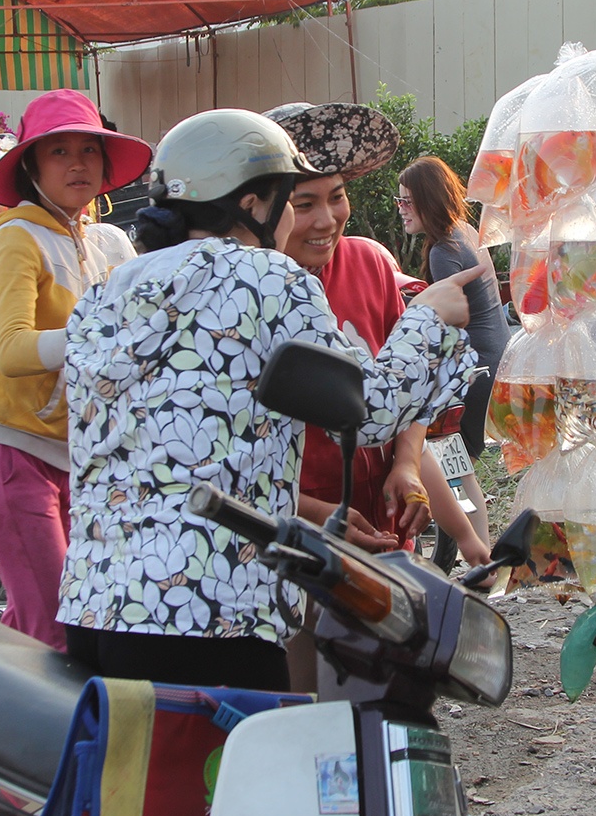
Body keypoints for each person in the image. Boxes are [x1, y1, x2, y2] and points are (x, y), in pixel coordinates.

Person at [59, 109, 483, 689]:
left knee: (136, 777)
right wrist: (429, 318)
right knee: (228, 776)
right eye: (292, 198)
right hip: (206, 607)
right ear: (254, 204)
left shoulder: (112, 290)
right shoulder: (268, 279)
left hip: (97, 603)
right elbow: (368, 407)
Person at [264, 103, 491, 568]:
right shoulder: (253, 296)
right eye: (304, 204)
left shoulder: (369, 262)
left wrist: (406, 464)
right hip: (298, 549)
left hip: (386, 539)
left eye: (338, 195)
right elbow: (233, 466)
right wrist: (312, 514)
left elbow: (404, 388)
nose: (327, 219)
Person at [0, 89, 151, 651]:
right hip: (13, 460)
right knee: (59, 633)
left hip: (77, 463)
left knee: (46, 627)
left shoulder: (100, 242)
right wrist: (99, 337)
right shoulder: (15, 239)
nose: (77, 164)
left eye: (90, 150)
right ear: (30, 166)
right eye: (58, 152)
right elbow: (12, 352)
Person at [398, 155, 510, 547]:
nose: (401, 211)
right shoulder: (463, 231)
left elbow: (447, 322)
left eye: (407, 202)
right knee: (459, 465)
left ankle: (473, 551)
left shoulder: (442, 251)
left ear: (427, 201)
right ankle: (478, 552)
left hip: (472, 370)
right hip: (495, 360)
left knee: (446, 462)